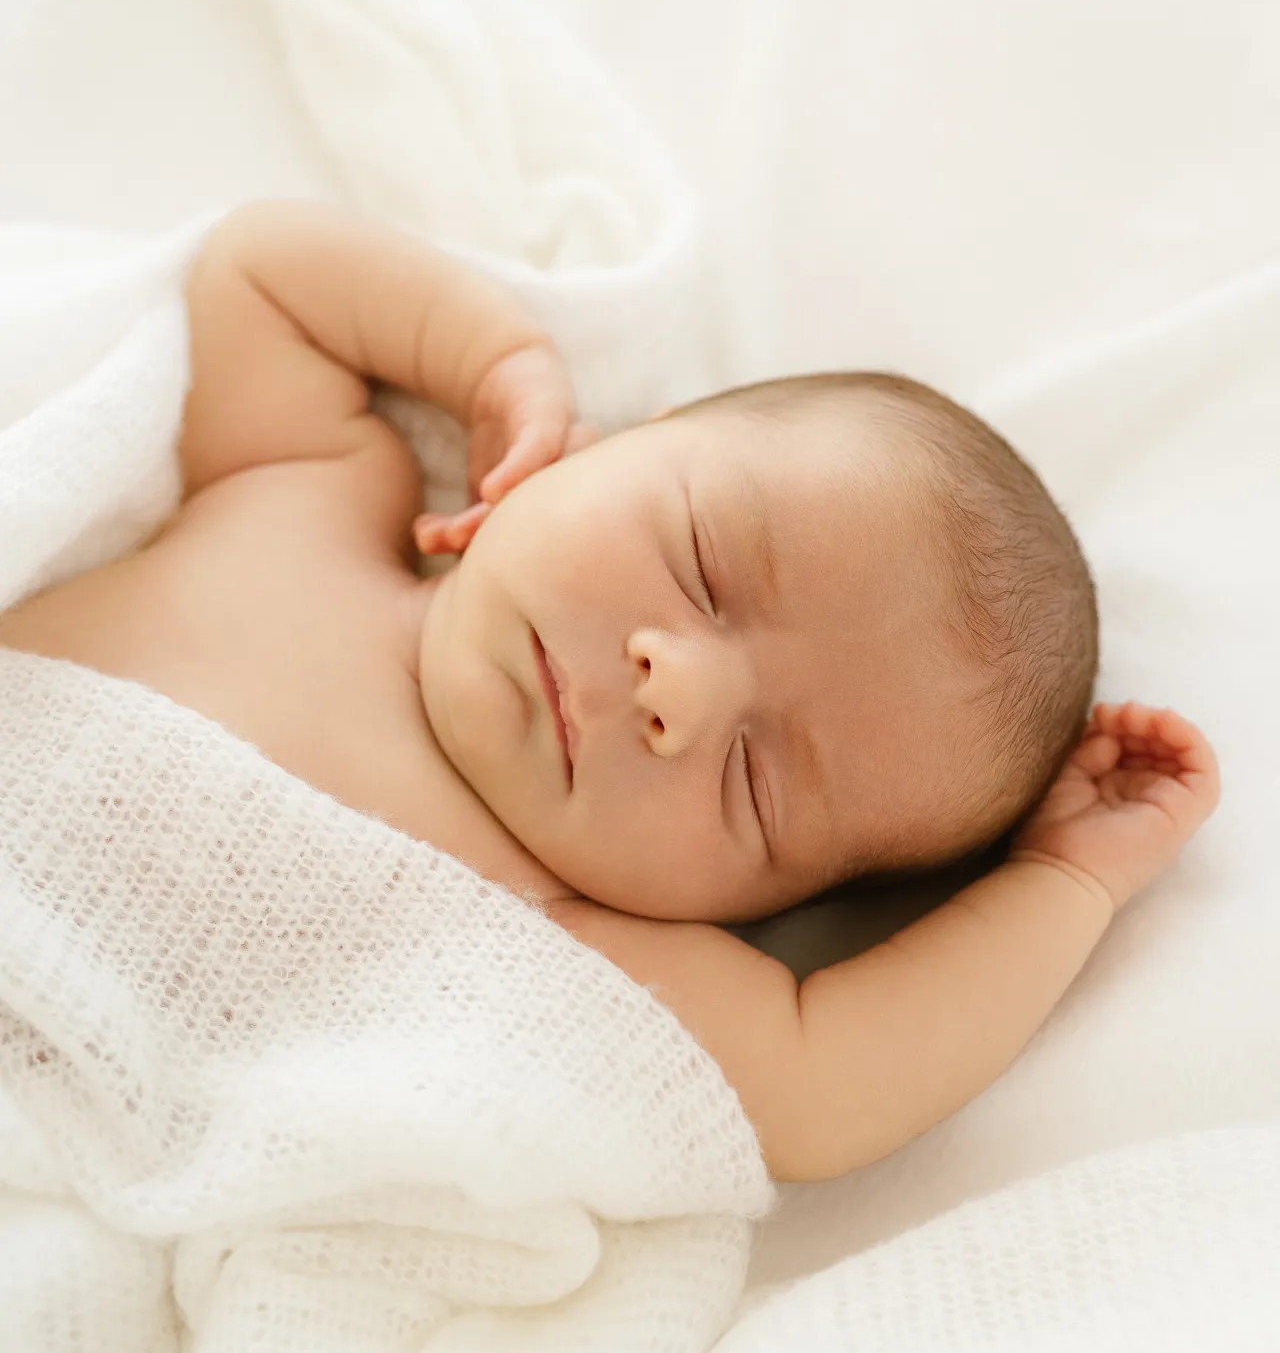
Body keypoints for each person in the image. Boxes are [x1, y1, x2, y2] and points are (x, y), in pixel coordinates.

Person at [0, 200, 1220, 1182]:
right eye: (700, 564)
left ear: (749, 906)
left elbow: (825, 1091)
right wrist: (493, 363)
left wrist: (1068, 881)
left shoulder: (565, 935)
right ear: (620, 441)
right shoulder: (307, 489)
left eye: (754, 779)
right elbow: (260, 270)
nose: (672, 690)